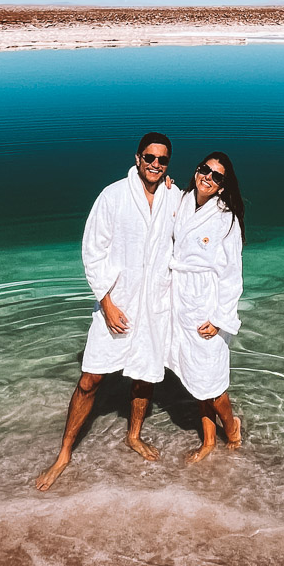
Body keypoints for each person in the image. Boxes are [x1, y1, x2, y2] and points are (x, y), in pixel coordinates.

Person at [35, 132, 183, 491]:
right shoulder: (113, 196)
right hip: (116, 304)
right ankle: (65, 452)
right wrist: (106, 302)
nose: (155, 165)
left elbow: (199, 226)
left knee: (145, 376)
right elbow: (92, 250)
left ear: (167, 165)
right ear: (137, 158)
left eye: (162, 160)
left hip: (154, 307)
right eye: (149, 158)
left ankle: (133, 435)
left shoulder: (175, 198)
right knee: (91, 379)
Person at [168, 151, 245, 463]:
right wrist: (166, 185)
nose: (208, 178)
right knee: (196, 379)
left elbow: (232, 275)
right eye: (204, 170)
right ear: (196, 171)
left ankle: (232, 427)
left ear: (223, 186)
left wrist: (219, 319)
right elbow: (159, 200)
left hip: (206, 305)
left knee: (212, 383)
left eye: (217, 176)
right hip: (181, 301)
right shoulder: (182, 200)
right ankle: (209, 441)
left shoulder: (226, 220)